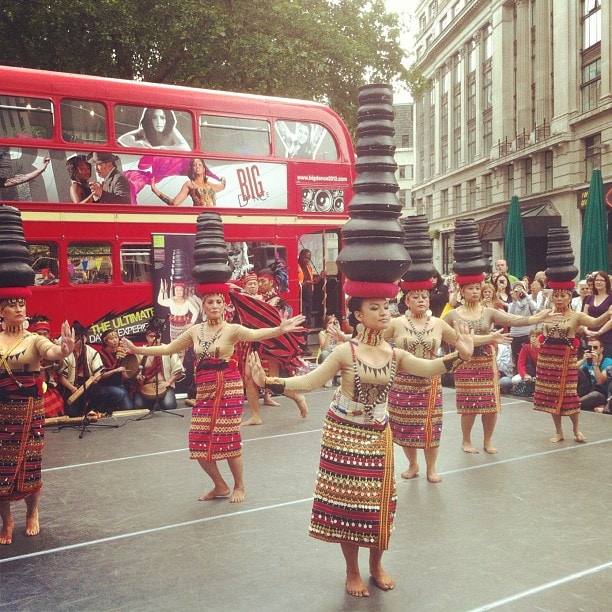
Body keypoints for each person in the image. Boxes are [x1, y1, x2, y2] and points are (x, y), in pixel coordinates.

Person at [249, 297, 475, 597]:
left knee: (379, 505)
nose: (383, 312)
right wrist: (269, 382)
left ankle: (377, 565)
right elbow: (309, 382)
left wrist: (461, 356)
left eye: (385, 307)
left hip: (378, 434)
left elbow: (429, 367)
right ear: (357, 314)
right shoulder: (346, 351)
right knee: (349, 506)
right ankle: (352, 570)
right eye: (374, 308)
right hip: (342, 433)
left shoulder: (394, 353)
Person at [120, 291, 306, 503]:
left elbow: (257, 335)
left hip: (229, 386)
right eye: (210, 302)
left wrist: (279, 329)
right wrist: (137, 349)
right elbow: (169, 348)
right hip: (205, 388)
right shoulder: (194, 331)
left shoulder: (232, 329)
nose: (215, 305)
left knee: (228, 437)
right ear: (204, 307)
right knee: (197, 441)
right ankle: (220, 485)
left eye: (219, 302)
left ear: (224, 306)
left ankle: (239, 486)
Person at [386, 286, 508, 482]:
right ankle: (412, 464)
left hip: (431, 381)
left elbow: (464, 340)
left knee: (431, 427)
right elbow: (373, 340)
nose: (421, 300)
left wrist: (490, 338)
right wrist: (348, 341)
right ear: (406, 301)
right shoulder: (396, 323)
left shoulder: (437, 324)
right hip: (403, 382)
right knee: (406, 427)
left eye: (424, 296)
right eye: (415, 296)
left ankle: (431, 468)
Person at [444, 280, 552, 454]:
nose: (475, 291)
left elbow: (514, 320)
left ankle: (487, 441)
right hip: (465, 362)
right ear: (461, 292)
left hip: (486, 362)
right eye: (470, 288)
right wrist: (491, 338)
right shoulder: (453, 315)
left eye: (477, 288)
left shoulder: (488, 312)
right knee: (469, 405)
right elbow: (444, 333)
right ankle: (466, 441)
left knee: (490, 405)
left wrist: (537, 318)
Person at [0, 298, 75, 545]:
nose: (19, 309)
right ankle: (7, 521)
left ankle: (32, 511)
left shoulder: (33, 339)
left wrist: (64, 349)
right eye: (12, 305)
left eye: (22, 304)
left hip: (30, 410)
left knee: (29, 466)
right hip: (2, 410)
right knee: (2, 468)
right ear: (2, 312)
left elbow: (52, 351)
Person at [534, 287, 612, 442]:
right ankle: (559, 431)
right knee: (553, 396)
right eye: (556, 295)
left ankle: (576, 429)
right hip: (549, 358)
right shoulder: (548, 314)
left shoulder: (577, 316)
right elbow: (541, 331)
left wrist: (608, 314)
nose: (559, 298)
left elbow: (595, 322)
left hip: (566, 359)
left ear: (570, 297)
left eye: (563, 295)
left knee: (570, 396)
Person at [241, 268, 308, 425]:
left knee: (269, 380)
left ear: (272, 282)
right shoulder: (258, 298)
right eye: (258, 281)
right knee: (249, 377)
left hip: (269, 343)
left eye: (262, 281)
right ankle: (256, 415)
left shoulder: (275, 301)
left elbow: (272, 323)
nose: (259, 284)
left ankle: (298, 397)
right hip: (255, 342)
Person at [57, 322, 106, 417]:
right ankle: (80, 412)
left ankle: (89, 411)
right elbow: (61, 377)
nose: (79, 341)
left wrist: (96, 378)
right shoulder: (66, 353)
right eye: (76, 338)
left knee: (101, 393)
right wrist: (72, 388)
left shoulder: (92, 352)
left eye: (81, 338)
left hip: (87, 385)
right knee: (72, 413)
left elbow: (98, 372)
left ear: (85, 338)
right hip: (71, 387)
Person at [133, 324, 185, 411]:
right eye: (151, 336)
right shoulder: (140, 352)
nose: (155, 339)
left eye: (157, 336)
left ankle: (157, 402)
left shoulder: (168, 349)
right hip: (146, 386)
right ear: (146, 337)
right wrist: (138, 376)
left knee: (169, 405)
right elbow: (134, 371)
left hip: (164, 386)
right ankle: (153, 402)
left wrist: (168, 382)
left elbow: (179, 370)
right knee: (139, 406)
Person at [28, 315, 65, 418]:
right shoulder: (26, 347)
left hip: (48, 388)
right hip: (29, 389)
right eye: (39, 334)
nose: (43, 337)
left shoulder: (51, 346)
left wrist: (60, 353)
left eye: (46, 333)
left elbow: (58, 367)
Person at [151, 157, 226, 207]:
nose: (197, 166)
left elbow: (222, 186)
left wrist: (222, 179)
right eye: (194, 165)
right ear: (192, 169)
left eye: (200, 165)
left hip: (215, 217)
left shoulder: (210, 184)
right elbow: (174, 203)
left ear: (204, 169)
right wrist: (155, 190)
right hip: (201, 217)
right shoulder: (189, 184)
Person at [95, 329, 134, 412]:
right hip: (104, 386)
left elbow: (128, 367)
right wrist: (115, 370)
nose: (115, 340)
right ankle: (104, 407)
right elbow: (101, 376)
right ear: (106, 342)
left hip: (119, 384)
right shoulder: (100, 355)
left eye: (116, 337)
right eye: (112, 339)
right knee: (120, 393)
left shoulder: (121, 351)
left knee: (129, 408)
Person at [118, 108, 190, 151]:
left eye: (162, 118)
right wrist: (138, 145)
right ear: (150, 119)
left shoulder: (171, 131)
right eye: (154, 118)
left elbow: (185, 148)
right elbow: (123, 139)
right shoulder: (145, 131)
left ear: (167, 119)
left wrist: (161, 148)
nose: (158, 122)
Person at [576, 338, 612, 412]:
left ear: (601, 349)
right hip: (589, 388)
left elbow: (600, 381)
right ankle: (570, 400)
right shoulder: (588, 361)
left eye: (595, 347)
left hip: (602, 393)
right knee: (577, 371)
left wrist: (595, 365)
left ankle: (572, 404)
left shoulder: (608, 362)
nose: (592, 349)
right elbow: (571, 369)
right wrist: (583, 360)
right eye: (590, 347)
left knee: (595, 395)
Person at [508, 280, 538, 369]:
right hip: (515, 333)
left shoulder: (529, 300)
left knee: (529, 356)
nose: (518, 290)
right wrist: (514, 300)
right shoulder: (512, 303)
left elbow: (535, 307)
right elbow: (510, 315)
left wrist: (526, 295)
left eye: (520, 287)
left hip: (527, 332)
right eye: (515, 288)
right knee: (516, 356)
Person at [582, 271, 612, 358]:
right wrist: (586, 330)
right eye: (597, 280)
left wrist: (599, 332)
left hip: (606, 336)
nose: (598, 282)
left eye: (601, 280)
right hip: (589, 336)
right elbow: (584, 316)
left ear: (607, 282)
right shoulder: (589, 298)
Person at [317, 314, 342, 387]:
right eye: (330, 323)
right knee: (325, 353)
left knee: (342, 352)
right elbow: (324, 348)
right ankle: (328, 378)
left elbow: (341, 346)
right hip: (325, 357)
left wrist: (338, 333)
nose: (332, 325)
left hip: (336, 356)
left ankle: (338, 377)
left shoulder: (339, 333)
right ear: (326, 325)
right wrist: (329, 334)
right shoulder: (322, 333)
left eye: (334, 323)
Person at [297, 248, 320, 328]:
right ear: (300, 256)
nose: (307, 261)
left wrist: (320, 277)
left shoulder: (308, 267)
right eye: (305, 258)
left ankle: (307, 337)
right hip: (300, 297)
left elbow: (312, 279)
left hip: (309, 296)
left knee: (309, 320)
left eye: (309, 259)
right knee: (304, 320)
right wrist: (304, 284)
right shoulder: (296, 266)